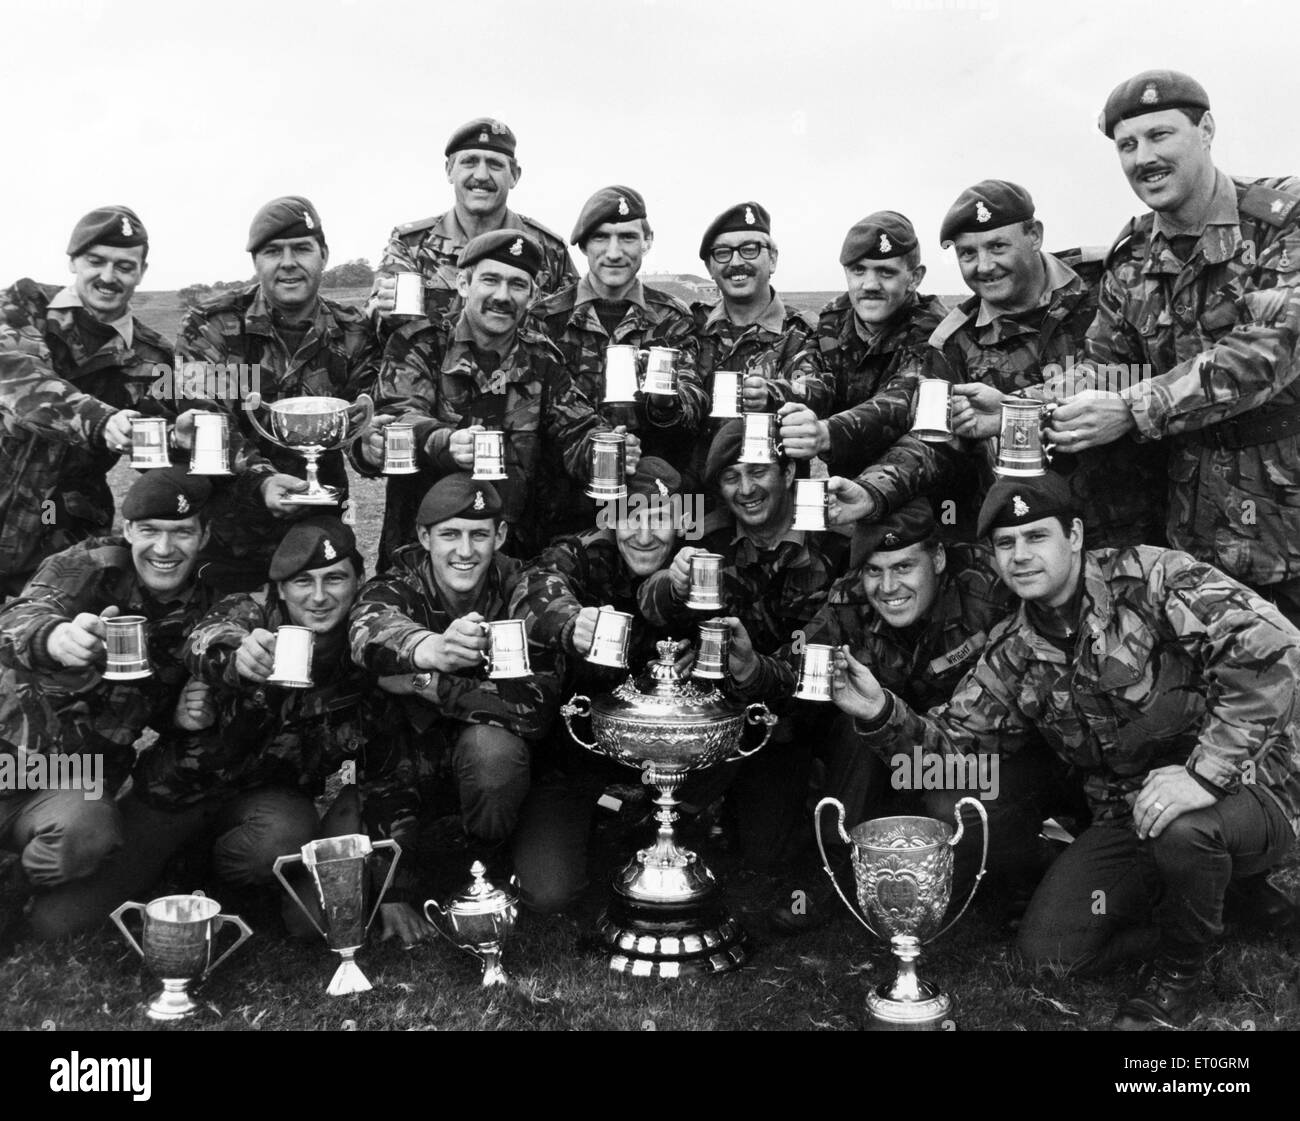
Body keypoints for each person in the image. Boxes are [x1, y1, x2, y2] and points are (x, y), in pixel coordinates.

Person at [832, 471, 1300, 1030]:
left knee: (1187, 830)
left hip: (1247, 788)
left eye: (1037, 537)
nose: (1021, 556)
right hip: (1129, 816)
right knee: (1050, 955)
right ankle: (1217, 907)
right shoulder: (1013, 650)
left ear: (1074, 535)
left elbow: (1277, 651)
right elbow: (950, 748)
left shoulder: (1155, 580)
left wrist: (1204, 774)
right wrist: (878, 712)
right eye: (1006, 544)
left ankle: (1179, 976)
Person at [1049, 70, 1300, 626]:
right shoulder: (1133, 254)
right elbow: (1105, 367)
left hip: (1290, 526)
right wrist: (1025, 406)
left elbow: (1266, 352)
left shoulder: (1285, 220)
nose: (1144, 158)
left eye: (1160, 135)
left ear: (1206, 129)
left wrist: (1132, 410)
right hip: (1194, 540)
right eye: (1128, 145)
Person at [833, 182, 1166, 547]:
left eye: (997, 246)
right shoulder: (952, 344)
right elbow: (933, 443)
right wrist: (871, 491)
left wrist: (1011, 409)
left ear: (1034, 235)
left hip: (1144, 533)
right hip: (1029, 546)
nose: (985, 266)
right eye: (967, 254)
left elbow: (1145, 371)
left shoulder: (1107, 283)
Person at [0, 467, 217, 940]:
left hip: (67, 787)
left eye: (182, 532)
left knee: (88, 832)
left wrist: (179, 718)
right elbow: (18, 617)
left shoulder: (206, 607)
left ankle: (14, 879)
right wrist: (55, 637)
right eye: (149, 532)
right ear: (128, 531)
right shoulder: (91, 564)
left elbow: (149, 702)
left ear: (204, 535)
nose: (164, 549)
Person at [639, 421, 851, 870]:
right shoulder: (709, 536)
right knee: (757, 853)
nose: (746, 489)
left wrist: (754, 669)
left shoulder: (837, 543)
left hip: (815, 711)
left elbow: (817, 662)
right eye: (731, 477)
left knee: (769, 854)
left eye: (758, 472)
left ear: (789, 473)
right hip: (740, 722)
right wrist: (672, 584)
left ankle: (826, 818)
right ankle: (710, 805)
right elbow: (648, 605)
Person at [357, 229, 639, 565]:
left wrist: (605, 446)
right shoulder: (420, 343)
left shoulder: (542, 359)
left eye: (517, 285)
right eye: (491, 280)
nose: (502, 296)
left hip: (514, 558)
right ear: (464, 284)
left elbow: (576, 428)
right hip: (420, 556)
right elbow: (399, 415)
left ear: (532, 296)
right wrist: (444, 442)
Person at [348, 476, 564, 874]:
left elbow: (534, 709)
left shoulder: (522, 587)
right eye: (449, 534)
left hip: (492, 769)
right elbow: (367, 629)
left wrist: (429, 682)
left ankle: (485, 861)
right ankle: (405, 859)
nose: (465, 551)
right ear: (424, 537)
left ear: (499, 536)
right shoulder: (399, 585)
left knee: (492, 754)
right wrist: (428, 648)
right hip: (408, 763)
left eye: (478, 535)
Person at [175, 195, 381, 592]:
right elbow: (207, 422)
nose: (288, 262)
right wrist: (263, 482)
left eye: (302, 248)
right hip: (230, 534)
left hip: (319, 535)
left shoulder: (353, 331)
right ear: (256, 262)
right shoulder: (210, 325)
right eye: (273, 251)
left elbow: (360, 418)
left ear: (324, 255)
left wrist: (370, 448)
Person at [507, 457, 684, 913]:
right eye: (630, 517)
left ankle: (668, 827)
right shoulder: (581, 554)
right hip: (573, 764)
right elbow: (531, 586)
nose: (643, 535)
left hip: (664, 766)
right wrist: (571, 622)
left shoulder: (696, 567)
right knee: (551, 893)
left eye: (659, 519)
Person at [0, 206, 185, 594]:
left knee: (46, 641)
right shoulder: (23, 305)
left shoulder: (154, 357)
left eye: (123, 266)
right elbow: (18, 377)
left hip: (60, 533)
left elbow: (157, 457)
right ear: (73, 261)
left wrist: (178, 438)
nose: (108, 276)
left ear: (142, 271)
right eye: (95, 261)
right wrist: (103, 422)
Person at [533, 185, 706, 500]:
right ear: (584, 246)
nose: (614, 253)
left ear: (647, 242)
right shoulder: (546, 319)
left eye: (627, 237)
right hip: (563, 501)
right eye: (601, 237)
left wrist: (665, 402)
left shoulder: (671, 317)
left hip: (649, 500)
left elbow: (693, 397)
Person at [777, 211, 946, 481]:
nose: (869, 285)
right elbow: (809, 376)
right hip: (844, 489)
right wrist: (776, 393)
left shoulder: (934, 331)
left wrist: (826, 433)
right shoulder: (835, 319)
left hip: (923, 496)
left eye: (886, 272)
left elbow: (902, 402)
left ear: (914, 278)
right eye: (858, 270)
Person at [371, 118, 576, 322]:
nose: (481, 175)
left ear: (514, 176)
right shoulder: (411, 245)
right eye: (469, 162)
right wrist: (382, 311)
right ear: (449, 171)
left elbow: (576, 325)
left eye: (495, 165)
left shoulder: (549, 250)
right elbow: (370, 323)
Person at [690, 201, 831, 483]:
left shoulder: (802, 331)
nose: (736, 262)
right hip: (697, 494)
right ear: (709, 267)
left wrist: (771, 394)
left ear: (773, 259)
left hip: (771, 495)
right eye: (722, 253)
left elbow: (819, 390)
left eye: (750, 249)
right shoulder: (692, 327)